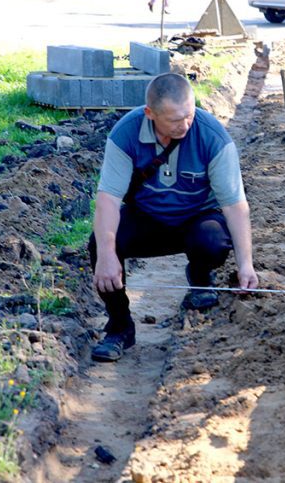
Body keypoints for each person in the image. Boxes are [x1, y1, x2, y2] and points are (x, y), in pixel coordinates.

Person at [89, 73, 259, 362]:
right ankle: (120, 327)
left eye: (189, 116)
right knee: (100, 244)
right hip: (148, 217)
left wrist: (246, 265)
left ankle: (201, 274)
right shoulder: (125, 134)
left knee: (212, 242)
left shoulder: (213, 137)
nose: (185, 125)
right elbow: (108, 201)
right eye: (174, 120)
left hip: (198, 218)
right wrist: (106, 254)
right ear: (150, 114)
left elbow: (235, 205)